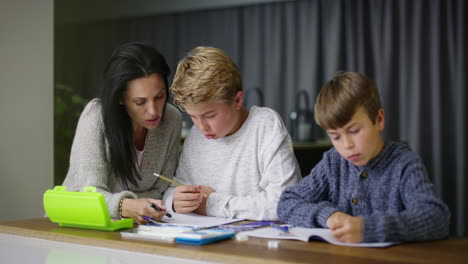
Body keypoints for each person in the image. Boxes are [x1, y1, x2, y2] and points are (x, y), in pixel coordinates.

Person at [277, 71, 450, 243]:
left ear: (379, 119)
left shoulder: (404, 164)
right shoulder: (333, 162)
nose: (347, 145)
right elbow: (287, 202)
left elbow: (435, 217)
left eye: (354, 131)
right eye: (335, 136)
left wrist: (369, 228)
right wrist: (328, 216)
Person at [163, 46, 301, 220]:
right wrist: (174, 200)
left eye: (210, 115)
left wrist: (213, 204)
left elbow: (285, 203)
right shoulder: (196, 135)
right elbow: (174, 188)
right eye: (192, 117)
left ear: (237, 100)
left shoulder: (265, 125)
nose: (201, 126)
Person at [61, 42, 182, 224]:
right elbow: (90, 193)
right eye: (140, 102)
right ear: (120, 99)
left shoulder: (171, 118)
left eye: (159, 97)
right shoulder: (96, 116)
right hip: (82, 226)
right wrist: (125, 206)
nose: (154, 111)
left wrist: (137, 206)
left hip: (141, 227)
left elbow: (162, 189)